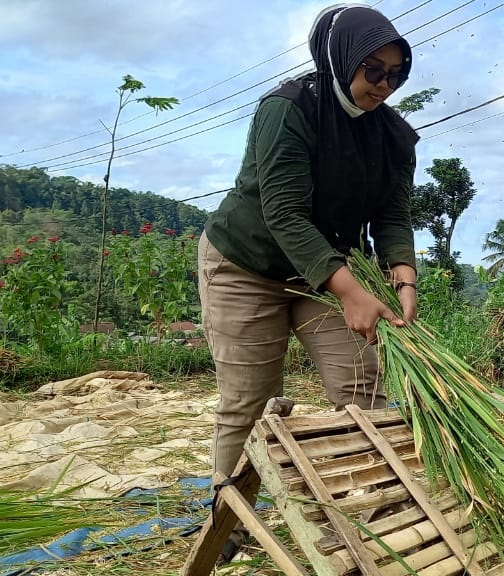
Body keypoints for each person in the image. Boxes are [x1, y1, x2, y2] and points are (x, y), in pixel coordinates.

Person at [196, 3, 420, 561]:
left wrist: (404, 275)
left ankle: (372, 509)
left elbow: (393, 213)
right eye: (373, 71)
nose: (384, 86)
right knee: (249, 399)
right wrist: (350, 291)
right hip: (246, 267)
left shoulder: (393, 135)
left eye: (395, 75)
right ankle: (229, 522)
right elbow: (284, 212)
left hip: (325, 273)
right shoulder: (290, 108)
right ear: (341, 58)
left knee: (361, 389)